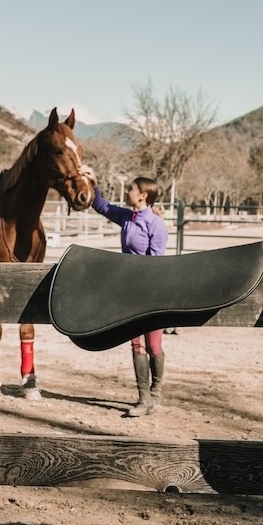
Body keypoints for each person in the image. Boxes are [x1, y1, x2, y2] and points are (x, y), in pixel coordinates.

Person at [79, 166, 168, 417]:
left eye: (131, 189)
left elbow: (156, 265)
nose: (127, 191)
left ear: (143, 196)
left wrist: (146, 291)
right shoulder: (127, 217)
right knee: (136, 345)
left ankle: (156, 391)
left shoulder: (156, 226)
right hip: (129, 293)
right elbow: (101, 206)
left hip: (151, 293)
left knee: (153, 346)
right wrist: (94, 182)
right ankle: (143, 399)